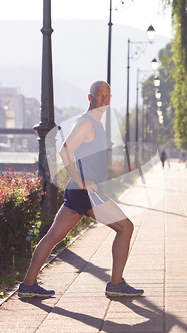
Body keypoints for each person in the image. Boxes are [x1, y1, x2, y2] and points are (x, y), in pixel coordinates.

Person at [18, 80, 143, 298]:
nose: (104, 100)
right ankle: (115, 284)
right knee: (125, 228)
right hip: (85, 192)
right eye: (99, 96)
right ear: (90, 97)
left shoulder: (96, 123)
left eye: (107, 96)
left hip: (80, 191)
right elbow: (65, 151)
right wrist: (83, 181)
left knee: (52, 236)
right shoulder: (86, 123)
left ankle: (28, 285)